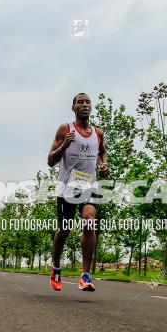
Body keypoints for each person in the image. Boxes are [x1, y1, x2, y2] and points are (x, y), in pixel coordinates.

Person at [47, 92, 109, 292]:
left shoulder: (98, 133)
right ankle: (56, 266)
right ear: (73, 108)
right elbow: (50, 161)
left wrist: (103, 165)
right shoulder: (65, 129)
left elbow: (101, 152)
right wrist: (65, 144)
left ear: (91, 107)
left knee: (89, 222)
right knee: (64, 229)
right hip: (67, 187)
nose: (85, 104)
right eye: (80, 102)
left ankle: (85, 275)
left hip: (89, 186)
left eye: (88, 102)